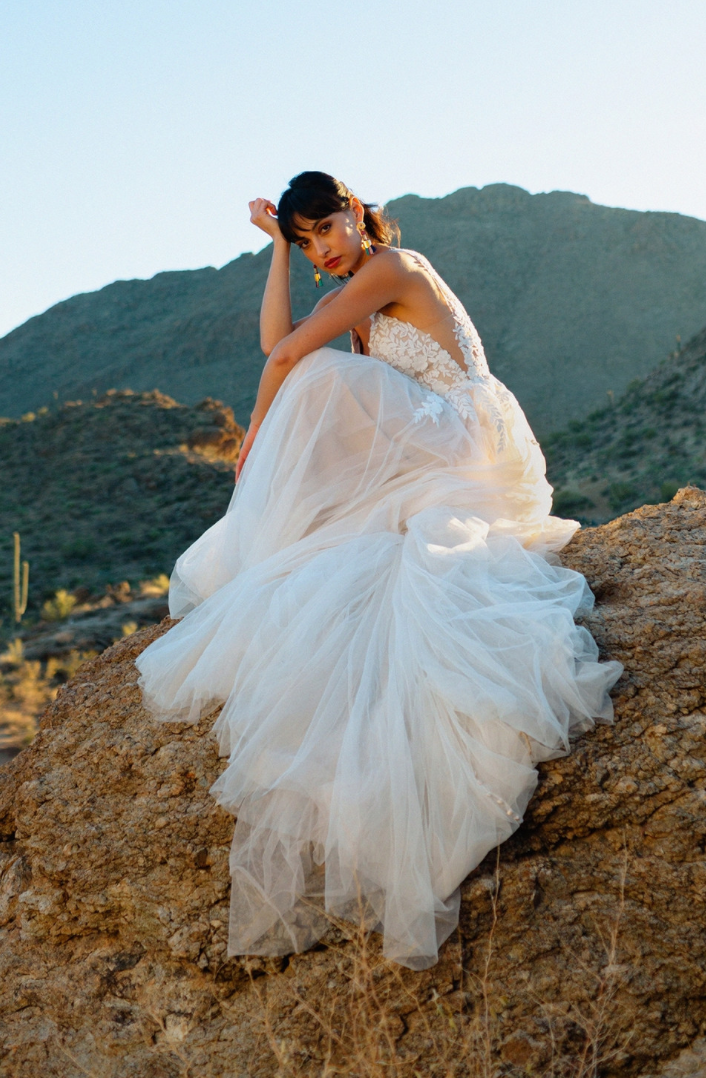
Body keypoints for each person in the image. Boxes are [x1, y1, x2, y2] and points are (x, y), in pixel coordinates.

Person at [136, 171, 622, 970]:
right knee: (318, 390)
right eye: (307, 240)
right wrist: (274, 255)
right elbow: (274, 340)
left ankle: (264, 522)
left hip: (463, 433)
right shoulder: (353, 282)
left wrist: (253, 433)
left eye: (327, 228)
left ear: (358, 213)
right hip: (435, 437)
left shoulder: (393, 268)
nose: (324, 248)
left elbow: (289, 355)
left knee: (318, 379)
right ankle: (282, 528)